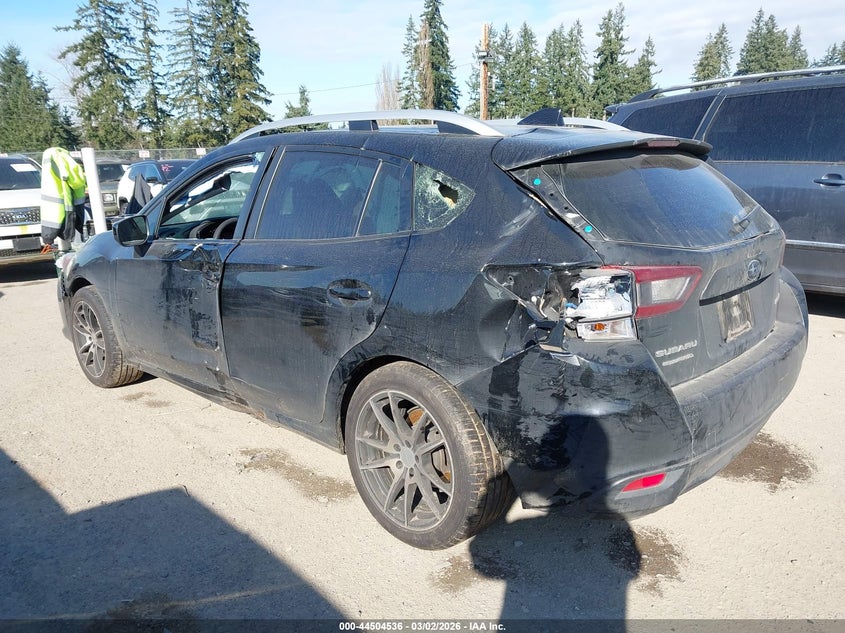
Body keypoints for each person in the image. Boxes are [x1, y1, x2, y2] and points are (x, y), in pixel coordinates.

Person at [40, 147, 87, 254]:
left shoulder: (51, 166)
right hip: (73, 214)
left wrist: (48, 237)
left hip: (64, 219)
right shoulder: (61, 159)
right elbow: (76, 182)